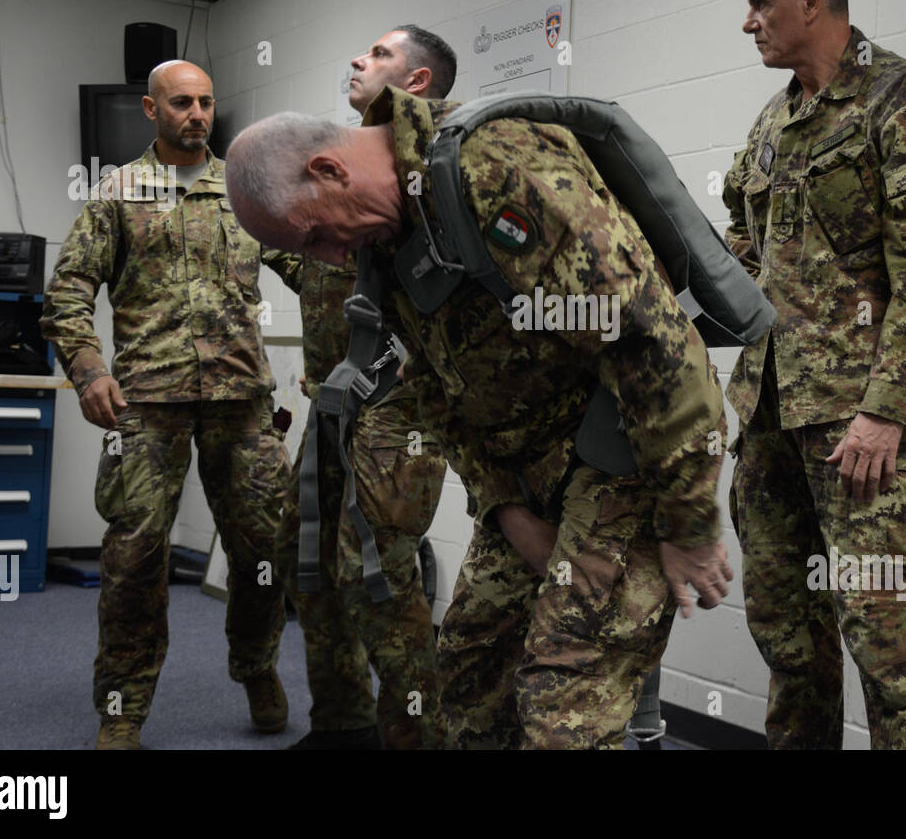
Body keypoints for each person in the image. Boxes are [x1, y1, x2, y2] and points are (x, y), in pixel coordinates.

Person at [222, 85, 735, 749]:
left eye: (315, 236)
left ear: (328, 171)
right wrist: (504, 509)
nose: (327, 259)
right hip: (526, 476)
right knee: (468, 673)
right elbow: (435, 391)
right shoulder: (389, 242)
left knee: (563, 702)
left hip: (623, 455)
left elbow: (656, 344)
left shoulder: (493, 169)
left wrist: (689, 522)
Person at [723, 0, 906, 749]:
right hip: (768, 424)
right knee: (789, 645)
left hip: (856, 432)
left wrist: (887, 410)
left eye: (761, 4)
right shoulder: (772, 124)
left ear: (812, 0)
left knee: (888, 650)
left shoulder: (903, 95)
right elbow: (744, 257)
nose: (747, 22)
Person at [42, 60, 290, 750]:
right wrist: (89, 370)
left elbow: (311, 260)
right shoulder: (117, 194)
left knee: (266, 547)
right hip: (148, 404)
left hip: (242, 402)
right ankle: (123, 706)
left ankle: (257, 665)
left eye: (207, 102)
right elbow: (66, 294)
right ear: (152, 110)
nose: (198, 114)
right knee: (134, 558)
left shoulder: (244, 190)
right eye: (182, 102)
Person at [266, 25, 457, 749]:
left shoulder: (437, 174)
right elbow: (314, 269)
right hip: (330, 404)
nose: (356, 58)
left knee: (374, 574)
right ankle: (340, 722)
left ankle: (415, 737)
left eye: (378, 54)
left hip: (399, 408)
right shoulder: (342, 173)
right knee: (308, 562)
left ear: (416, 83)